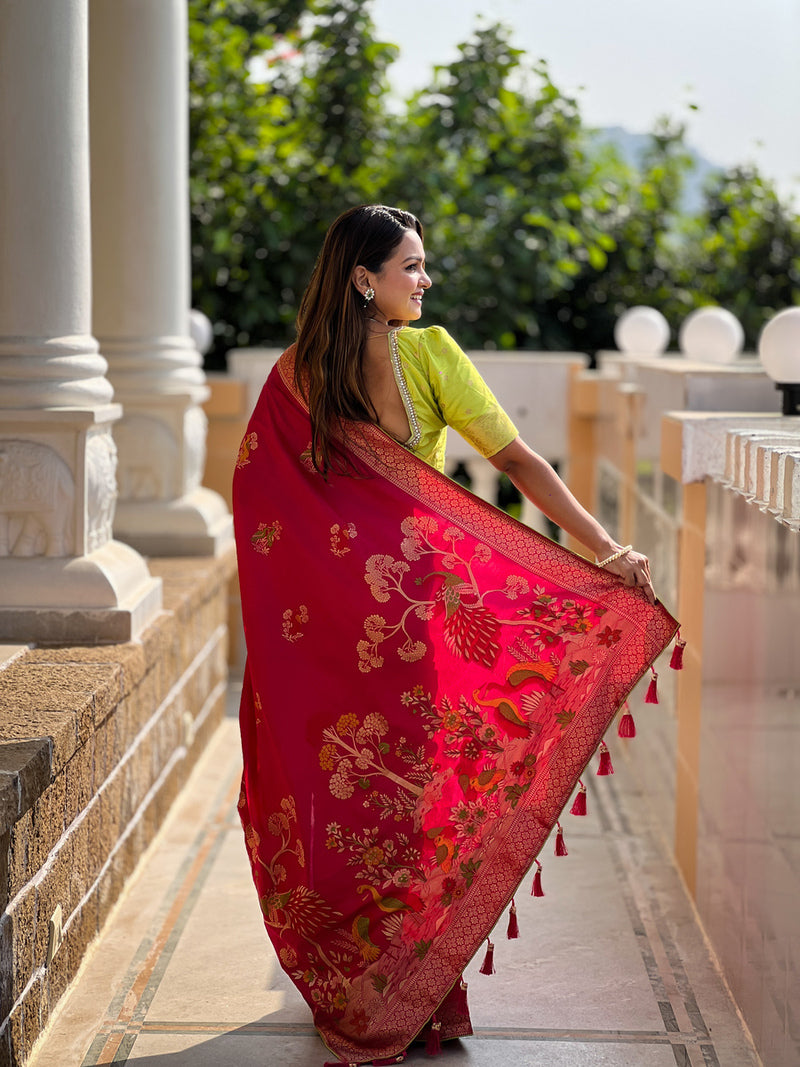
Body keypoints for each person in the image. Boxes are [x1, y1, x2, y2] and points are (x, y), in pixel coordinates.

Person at [232, 205, 676, 1066]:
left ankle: (355, 990)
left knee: (344, 799)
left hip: (331, 634)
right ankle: (420, 995)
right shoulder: (429, 356)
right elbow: (514, 461)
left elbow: (263, 510)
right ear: (366, 276)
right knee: (411, 803)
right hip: (416, 617)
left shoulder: (295, 375)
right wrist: (604, 549)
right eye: (412, 266)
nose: (425, 281)